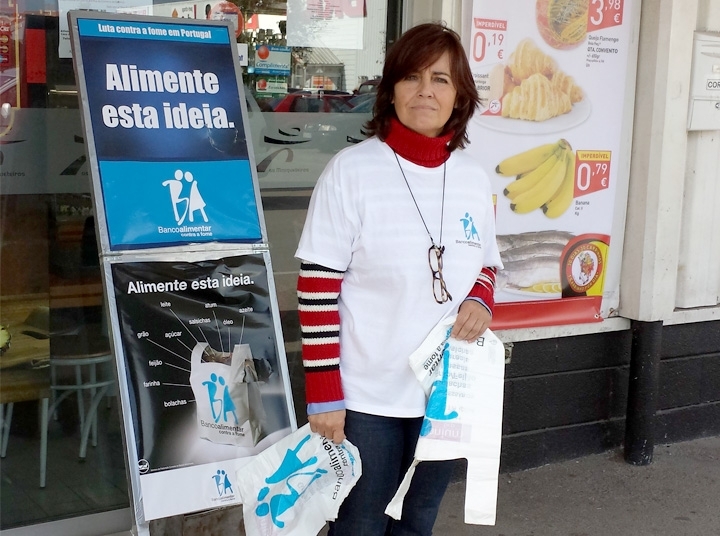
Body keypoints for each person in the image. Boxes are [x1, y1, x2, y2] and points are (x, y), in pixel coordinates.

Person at [295, 22, 503, 535]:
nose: (426, 91)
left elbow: (489, 262)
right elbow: (317, 285)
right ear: (390, 91)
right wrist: (325, 393)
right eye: (411, 78)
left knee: (418, 522)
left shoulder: (474, 177)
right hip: (368, 399)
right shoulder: (352, 171)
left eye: (441, 79)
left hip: (445, 396)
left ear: (459, 97)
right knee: (360, 524)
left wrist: (480, 299)